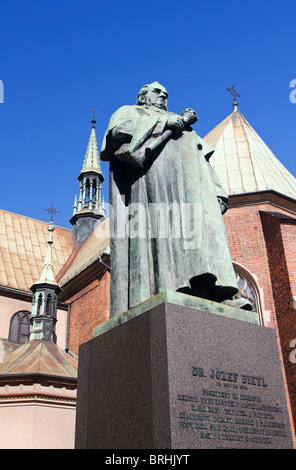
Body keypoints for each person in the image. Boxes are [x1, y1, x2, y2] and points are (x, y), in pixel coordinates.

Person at [101, 82, 241, 317]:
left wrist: (216, 190)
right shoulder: (130, 111)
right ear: (142, 97)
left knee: (201, 242)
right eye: (157, 92)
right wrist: (162, 123)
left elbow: (202, 156)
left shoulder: (183, 125)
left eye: (166, 93)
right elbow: (117, 134)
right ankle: (169, 288)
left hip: (194, 190)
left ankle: (209, 292)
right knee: (166, 234)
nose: (164, 95)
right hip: (156, 184)